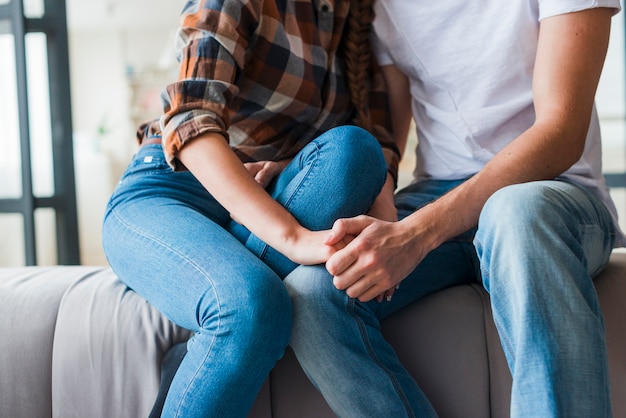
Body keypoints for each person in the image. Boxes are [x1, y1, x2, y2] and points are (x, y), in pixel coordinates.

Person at [284, 0, 626, 417]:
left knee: (514, 213)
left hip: (551, 192)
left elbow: (561, 133)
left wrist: (417, 235)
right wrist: (384, 208)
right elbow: (389, 133)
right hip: (437, 194)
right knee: (313, 292)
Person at [101, 0, 401, 416]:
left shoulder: (360, 18)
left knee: (356, 152)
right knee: (250, 303)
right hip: (172, 188)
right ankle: (221, 326)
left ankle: (200, 354)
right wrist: (292, 239)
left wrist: (384, 220)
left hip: (268, 194)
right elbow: (191, 117)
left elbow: (378, 145)